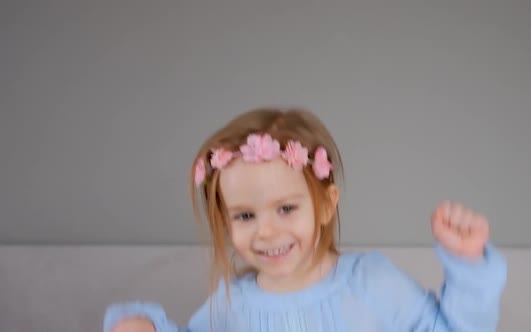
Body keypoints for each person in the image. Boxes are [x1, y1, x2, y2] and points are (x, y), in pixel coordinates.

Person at [104, 108, 507, 332]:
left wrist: (468, 265)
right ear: (226, 223)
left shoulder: (373, 283)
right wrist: (142, 328)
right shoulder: (230, 306)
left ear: (326, 205)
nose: (265, 230)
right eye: (245, 215)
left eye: (286, 208)